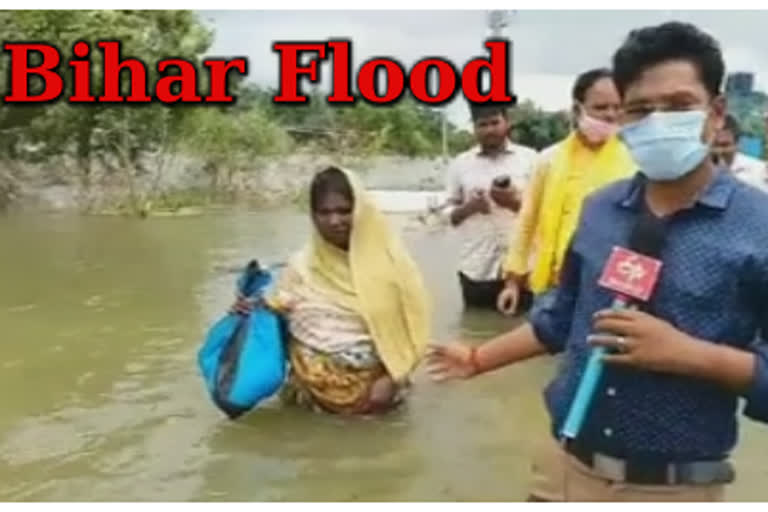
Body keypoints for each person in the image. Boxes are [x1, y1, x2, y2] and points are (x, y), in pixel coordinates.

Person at [427, 22, 767, 502]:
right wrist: (478, 358)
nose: (657, 122)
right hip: (562, 467)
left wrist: (689, 355)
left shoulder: (758, 226)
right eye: (641, 110)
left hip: (671, 488)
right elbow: (561, 317)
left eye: (678, 106)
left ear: (715, 113)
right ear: (623, 120)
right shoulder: (600, 209)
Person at [233, 166, 431, 415]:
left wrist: (393, 378)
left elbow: (413, 330)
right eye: (323, 212)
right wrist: (250, 313)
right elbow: (282, 320)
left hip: (376, 399)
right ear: (313, 215)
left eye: (344, 211)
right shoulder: (301, 265)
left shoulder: (394, 265)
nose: (334, 221)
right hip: (308, 397)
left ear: (361, 210)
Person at [497, 69, 636, 316]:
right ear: (577, 109)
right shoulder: (549, 160)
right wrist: (512, 282)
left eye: (618, 107)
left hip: (609, 291)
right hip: (553, 285)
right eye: (601, 107)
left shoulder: (635, 162)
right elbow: (528, 220)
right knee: (546, 345)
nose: (610, 115)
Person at [445, 102, 538, 313]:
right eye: (482, 124)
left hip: (524, 268)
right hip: (476, 269)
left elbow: (546, 213)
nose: (489, 130)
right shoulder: (460, 164)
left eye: (495, 122)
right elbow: (447, 216)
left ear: (507, 122)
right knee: (475, 331)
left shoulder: (531, 159)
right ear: (474, 127)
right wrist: (471, 207)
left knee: (525, 334)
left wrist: (513, 202)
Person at [712, 114, 768, 191]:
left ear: (738, 144)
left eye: (724, 145)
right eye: (711, 146)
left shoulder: (757, 174)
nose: (717, 151)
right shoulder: (695, 178)